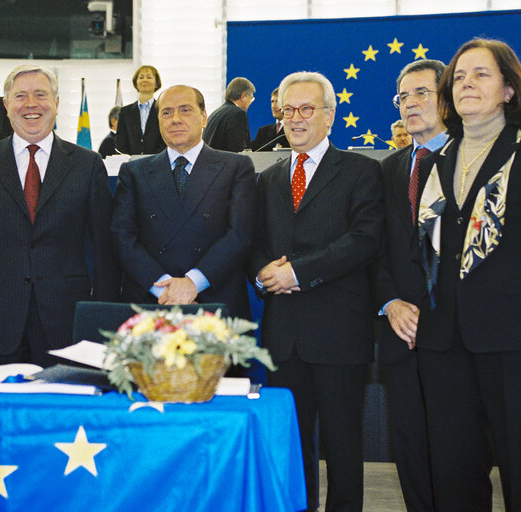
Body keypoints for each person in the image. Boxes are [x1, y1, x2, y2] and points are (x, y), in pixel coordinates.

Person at [249, 71, 383, 512]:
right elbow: (253, 243)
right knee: (293, 448)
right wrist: (263, 271)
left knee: (344, 449)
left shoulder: (362, 171)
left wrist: (298, 273)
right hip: (283, 335)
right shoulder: (267, 179)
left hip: (340, 333)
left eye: (307, 109)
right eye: (288, 110)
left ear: (330, 115)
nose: (296, 119)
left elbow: (363, 240)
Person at [415, 38, 521, 511]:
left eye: (481, 75)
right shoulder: (435, 161)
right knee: (453, 473)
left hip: (518, 342)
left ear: (509, 89)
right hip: (443, 342)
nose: (467, 83)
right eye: (459, 77)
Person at [0, 64, 119, 367]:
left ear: (57, 103)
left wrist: (101, 324)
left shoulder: (87, 164)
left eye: (41, 94)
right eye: (20, 96)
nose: (31, 104)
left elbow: (106, 251)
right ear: (6, 106)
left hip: (68, 323)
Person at [372, 58, 447, 512]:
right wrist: (390, 302)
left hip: (454, 337)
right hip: (398, 333)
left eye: (423, 93)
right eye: (404, 97)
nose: (411, 104)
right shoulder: (388, 168)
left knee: (458, 450)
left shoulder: (469, 158)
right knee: (408, 445)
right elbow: (375, 248)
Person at [111, 85, 255, 318]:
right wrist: (163, 285)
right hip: (152, 303)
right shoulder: (134, 172)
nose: (175, 119)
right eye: (166, 113)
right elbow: (122, 236)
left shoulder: (236, 167)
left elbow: (240, 235)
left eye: (185, 110)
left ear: (204, 117)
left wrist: (193, 283)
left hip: (214, 301)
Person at [115, 65, 166, 155]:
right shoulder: (125, 112)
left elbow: (166, 138)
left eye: (149, 77)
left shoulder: (163, 110)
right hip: (132, 164)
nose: (145, 80)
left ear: (156, 83)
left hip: (157, 161)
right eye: (141, 77)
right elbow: (121, 142)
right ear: (136, 83)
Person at [202, 77, 255, 152]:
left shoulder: (217, 113)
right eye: (251, 98)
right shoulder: (238, 114)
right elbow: (237, 151)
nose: (250, 103)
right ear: (243, 96)